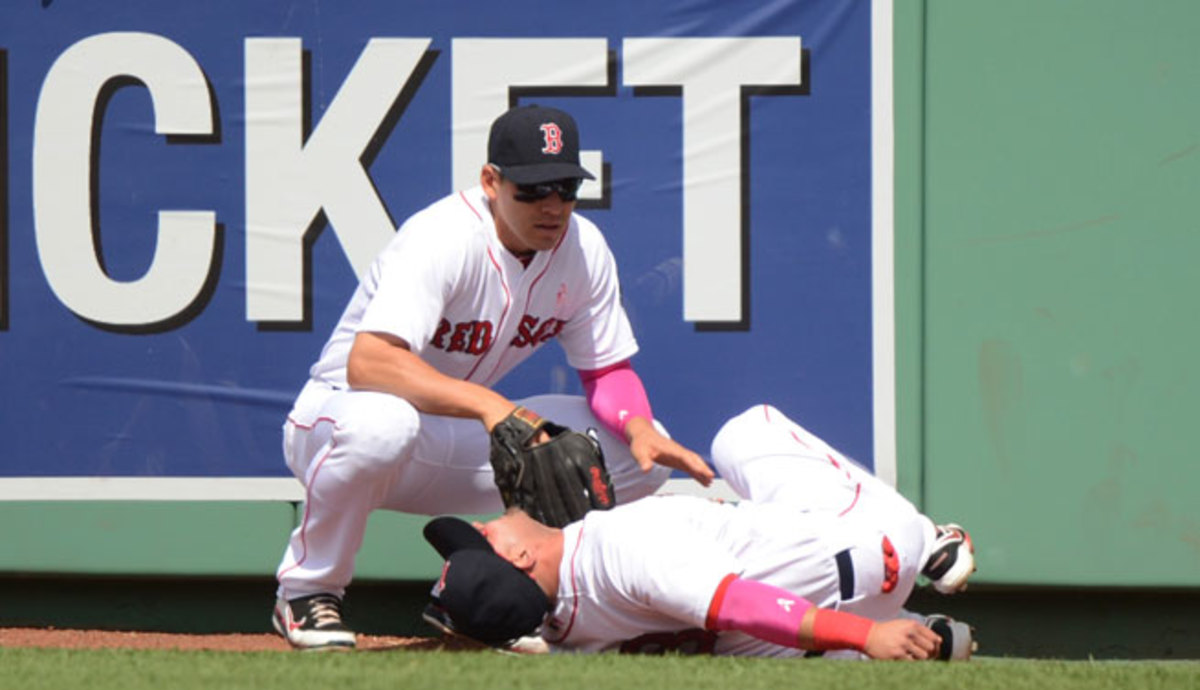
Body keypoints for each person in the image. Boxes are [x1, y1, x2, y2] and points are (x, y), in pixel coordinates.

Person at [272, 104, 715, 650]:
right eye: (532, 189)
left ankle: (535, 603)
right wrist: (489, 405)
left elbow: (606, 369)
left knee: (632, 459)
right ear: (491, 181)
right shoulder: (443, 236)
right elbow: (369, 363)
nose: (552, 206)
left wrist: (639, 424)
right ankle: (307, 591)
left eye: (565, 188)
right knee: (383, 427)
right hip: (340, 416)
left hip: (448, 438)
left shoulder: (583, 249)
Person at [422, 403, 978, 660]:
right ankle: (930, 541)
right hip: (868, 557)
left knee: (732, 601)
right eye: (486, 540)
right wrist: (868, 636)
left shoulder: (563, 630)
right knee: (743, 432)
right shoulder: (622, 545)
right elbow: (739, 604)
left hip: (806, 638)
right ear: (519, 558)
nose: (481, 526)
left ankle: (924, 632)